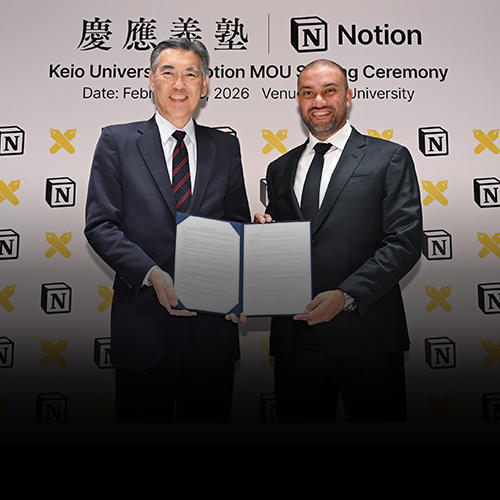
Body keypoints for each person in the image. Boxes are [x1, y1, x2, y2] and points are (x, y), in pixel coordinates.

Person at [84, 38, 250, 422]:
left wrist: (242, 284)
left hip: (212, 330)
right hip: (143, 327)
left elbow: (237, 225)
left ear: (204, 85)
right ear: (151, 79)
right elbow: (101, 225)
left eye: (191, 74)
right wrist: (151, 273)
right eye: (168, 72)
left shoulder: (225, 146)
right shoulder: (117, 141)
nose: (179, 84)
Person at [255, 59, 422, 422]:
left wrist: (346, 296)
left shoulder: (389, 157)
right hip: (296, 343)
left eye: (329, 91)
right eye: (308, 93)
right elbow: (288, 245)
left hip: (368, 337)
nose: (318, 101)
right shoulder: (279, 168)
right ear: (298, 100)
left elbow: (405, 242)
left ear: (348, 96)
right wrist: (263, 239)